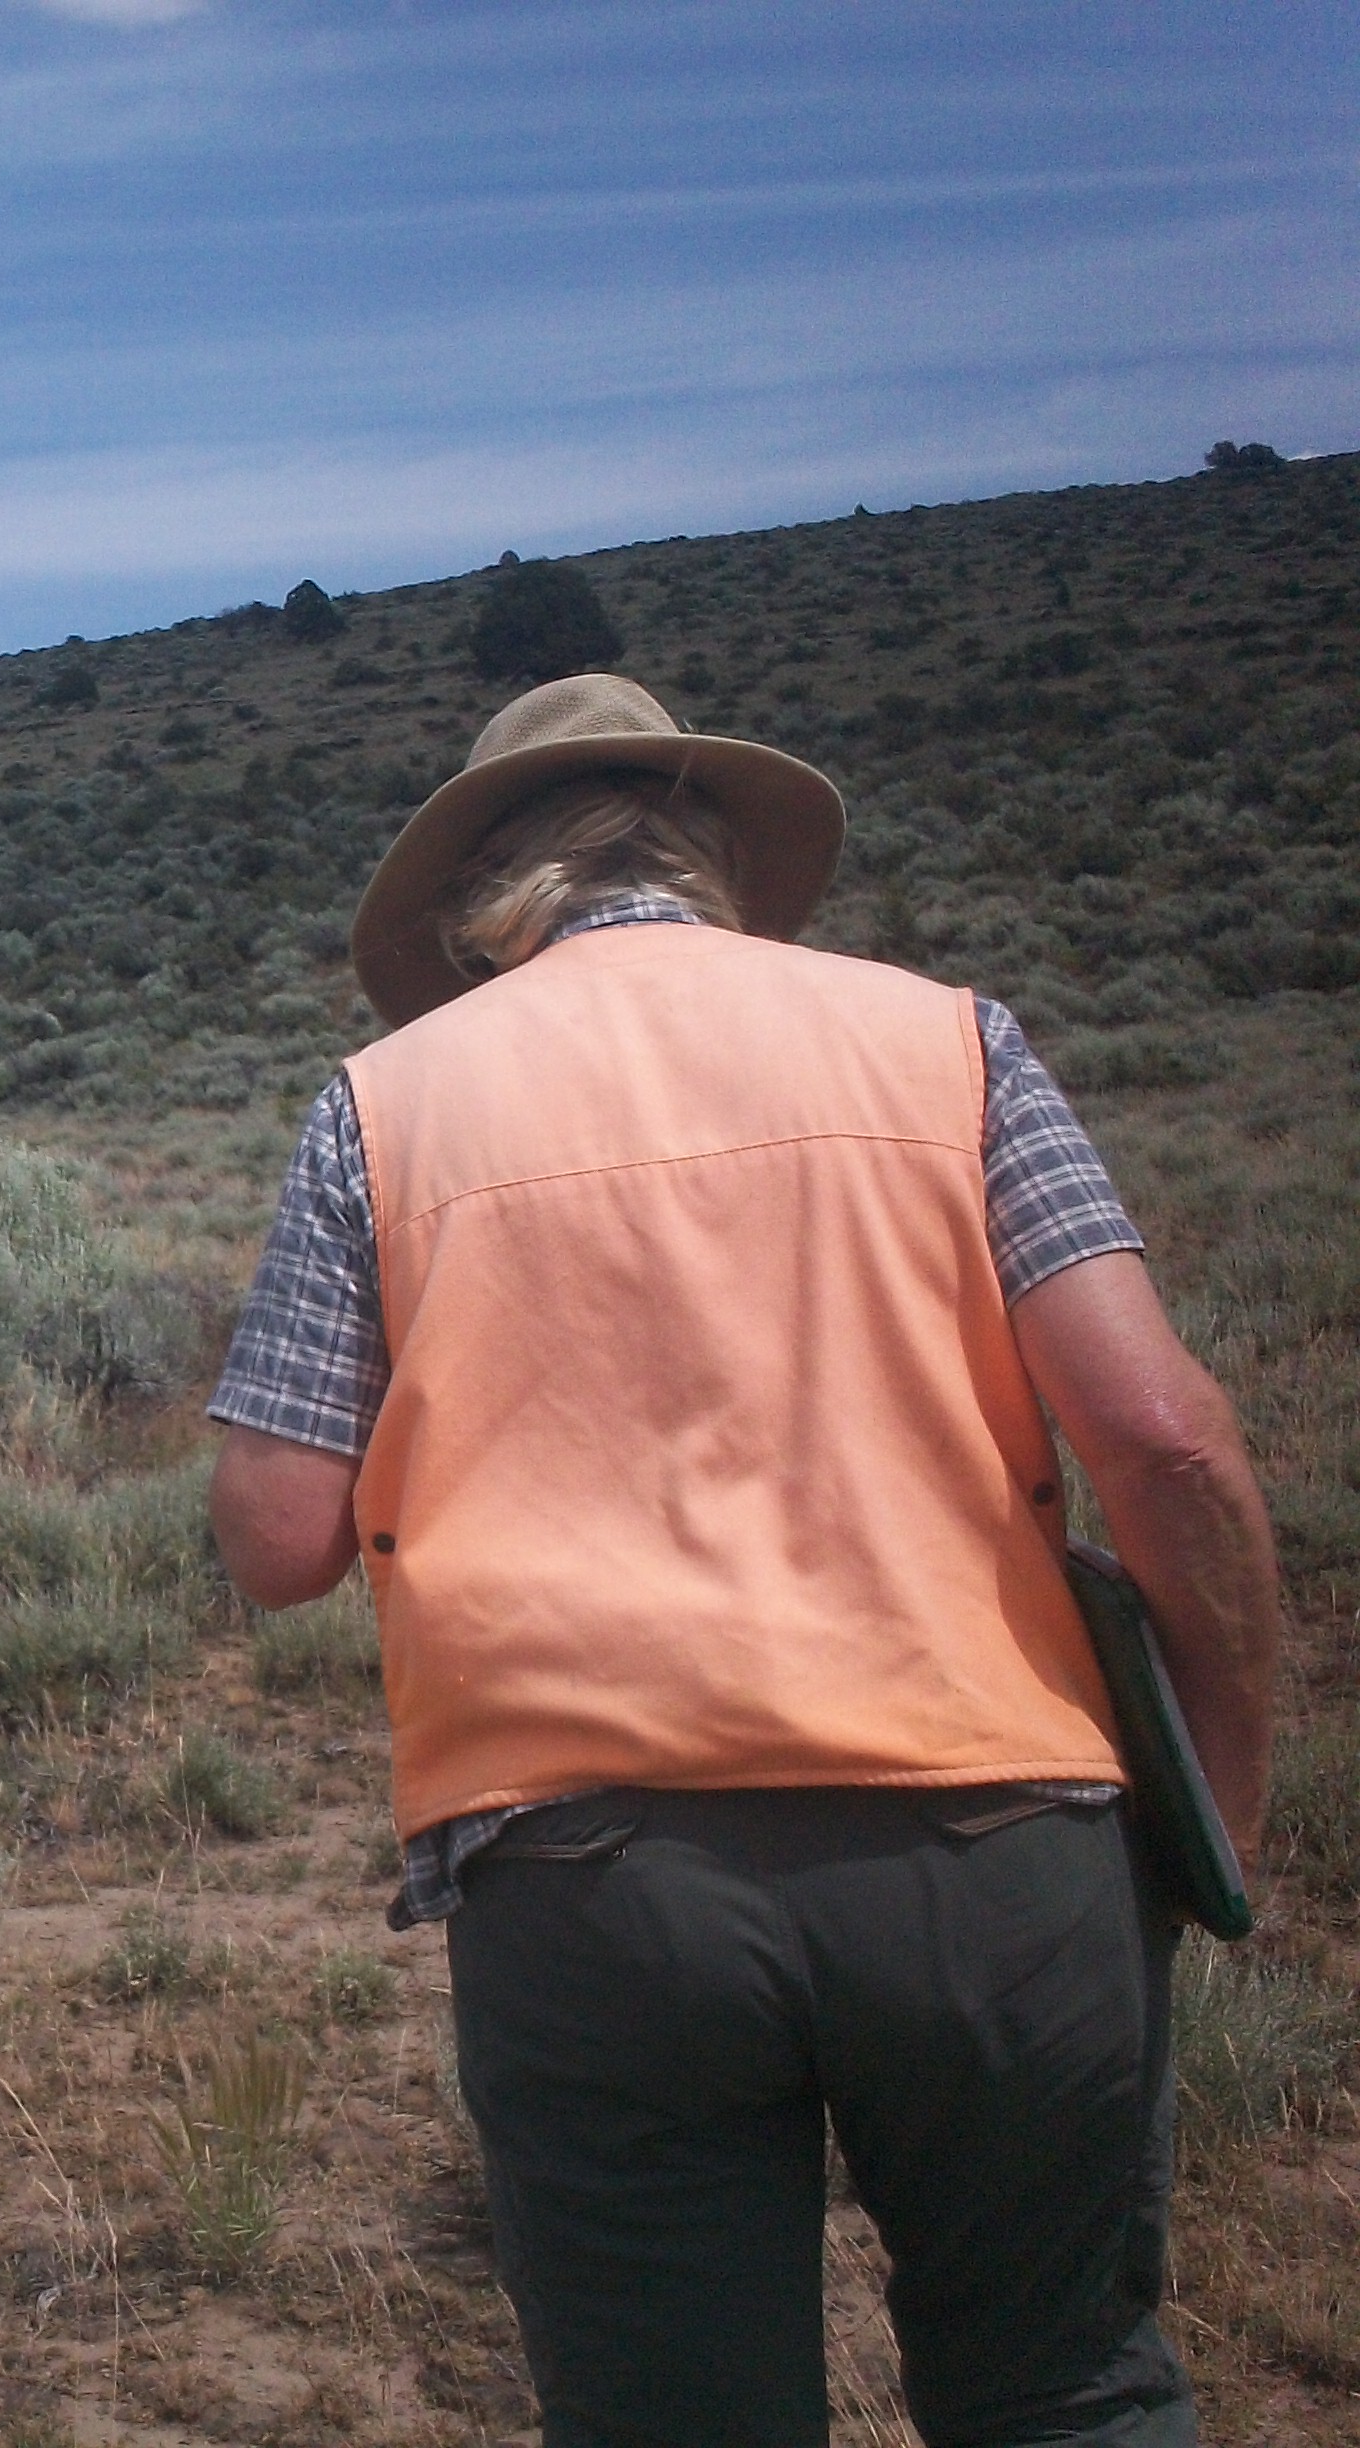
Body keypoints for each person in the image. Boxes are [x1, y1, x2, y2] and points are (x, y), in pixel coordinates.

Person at [205, 673, 1284, 2447]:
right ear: (711, 851)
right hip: (1003, 1838)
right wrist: (1215, 1809)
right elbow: (1165, 1441)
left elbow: (275, 1539)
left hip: (591, 1881)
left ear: (484, 896)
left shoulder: (381, 1106)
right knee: (1069, 2397)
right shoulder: (951, 1043)